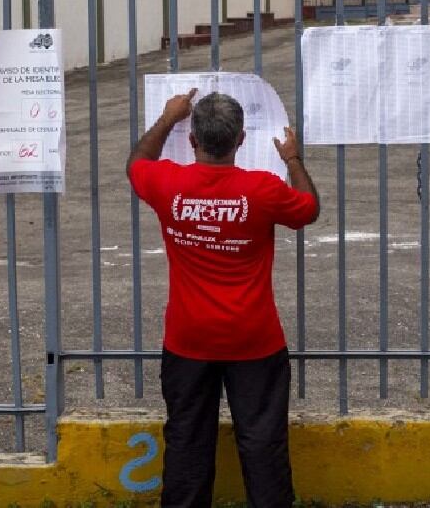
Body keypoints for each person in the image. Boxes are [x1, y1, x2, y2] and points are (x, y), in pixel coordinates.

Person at [127, 89, 320, 508]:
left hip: (188, 338)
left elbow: (136, 165)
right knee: (263, 442)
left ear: (193, 140)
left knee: (187, 440)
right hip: (254, 338)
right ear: (241, 140)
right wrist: (291, 159)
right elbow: (307, 209)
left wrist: (165, 120)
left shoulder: (168, 183)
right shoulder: (262, 189)